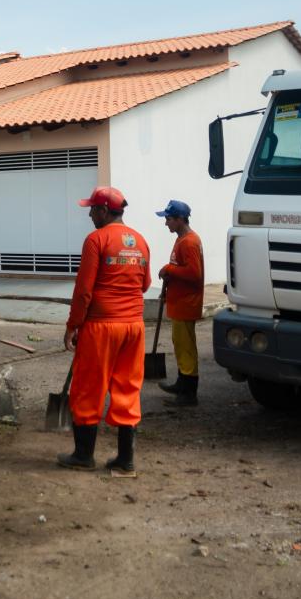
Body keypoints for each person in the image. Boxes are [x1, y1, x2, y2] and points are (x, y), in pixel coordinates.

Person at [58, 186, 151, 474]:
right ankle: (125, 460)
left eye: (92, 209)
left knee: (88, 387)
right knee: (127, 387)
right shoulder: (140, 241)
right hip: (134, 326)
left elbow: (83, 291)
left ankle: (83, 456)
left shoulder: (95, 240)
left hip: (101, 326)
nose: (89, 215)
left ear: (103, 210)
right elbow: (145, 284)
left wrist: (73, 325)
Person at [156, 200, 203, 405]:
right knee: (181, 345)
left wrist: (169, 269)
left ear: (180, 219)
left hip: (186, 303)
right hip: (179, 301)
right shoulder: (182, 239)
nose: (166, 223)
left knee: (186, 348)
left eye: (168, 219)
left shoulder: (189, 242)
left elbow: (194, 274)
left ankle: (189, 393)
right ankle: (182, 383)